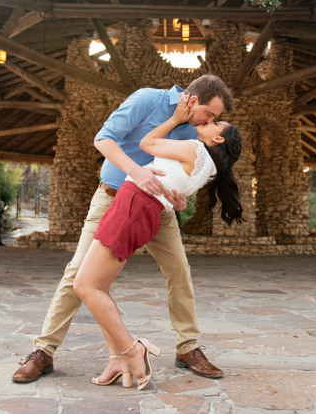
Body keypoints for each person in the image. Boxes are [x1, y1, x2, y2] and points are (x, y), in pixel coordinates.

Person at [13, 74, 235, 384]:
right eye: (210, 115)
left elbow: (180, 172)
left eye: (214, 119)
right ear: (194, 101)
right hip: (112, 197)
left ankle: (187, 348)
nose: (210, 121)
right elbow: (103, 139)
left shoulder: (197, 131)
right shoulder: (148, 99)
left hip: (159, 210)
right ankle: (44, 351)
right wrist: (137, 172)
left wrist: (180, 198)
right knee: (77, 274)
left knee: (179, 271)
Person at [74, 97, 242, 389]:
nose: (206, 121)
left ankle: (131, 349)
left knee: (84, 286)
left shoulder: (194, 148)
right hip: (149, 211)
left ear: (217, 137)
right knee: (99, 287)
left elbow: (146, 143)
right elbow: (178, 196)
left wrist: (175, 119)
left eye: (214, 121)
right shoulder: (211, 170)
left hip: (133, 204)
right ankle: (117, 360)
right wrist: (178, 204)